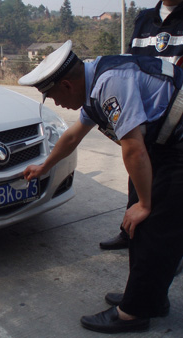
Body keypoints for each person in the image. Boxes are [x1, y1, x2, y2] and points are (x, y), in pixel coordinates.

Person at [19, 40, 183, 333]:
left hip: (177, 147)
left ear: (68, 85)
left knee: (153, 225)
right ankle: (148, 297)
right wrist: (45, 166)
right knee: (140, 225)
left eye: (54, 97)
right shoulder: (94, 84)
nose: (57, 104)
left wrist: (144, 204)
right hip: (165, 145)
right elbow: (72, 136)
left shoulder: (110, 82)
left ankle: (134, 312)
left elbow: (133, 149)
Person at [100, 0, 183, 250]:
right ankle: (129, 233)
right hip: (143, 112)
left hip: (176, 116)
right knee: (137, 172)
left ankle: (170, 249)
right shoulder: (144, 19)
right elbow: (130, 64)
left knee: (169, 187)